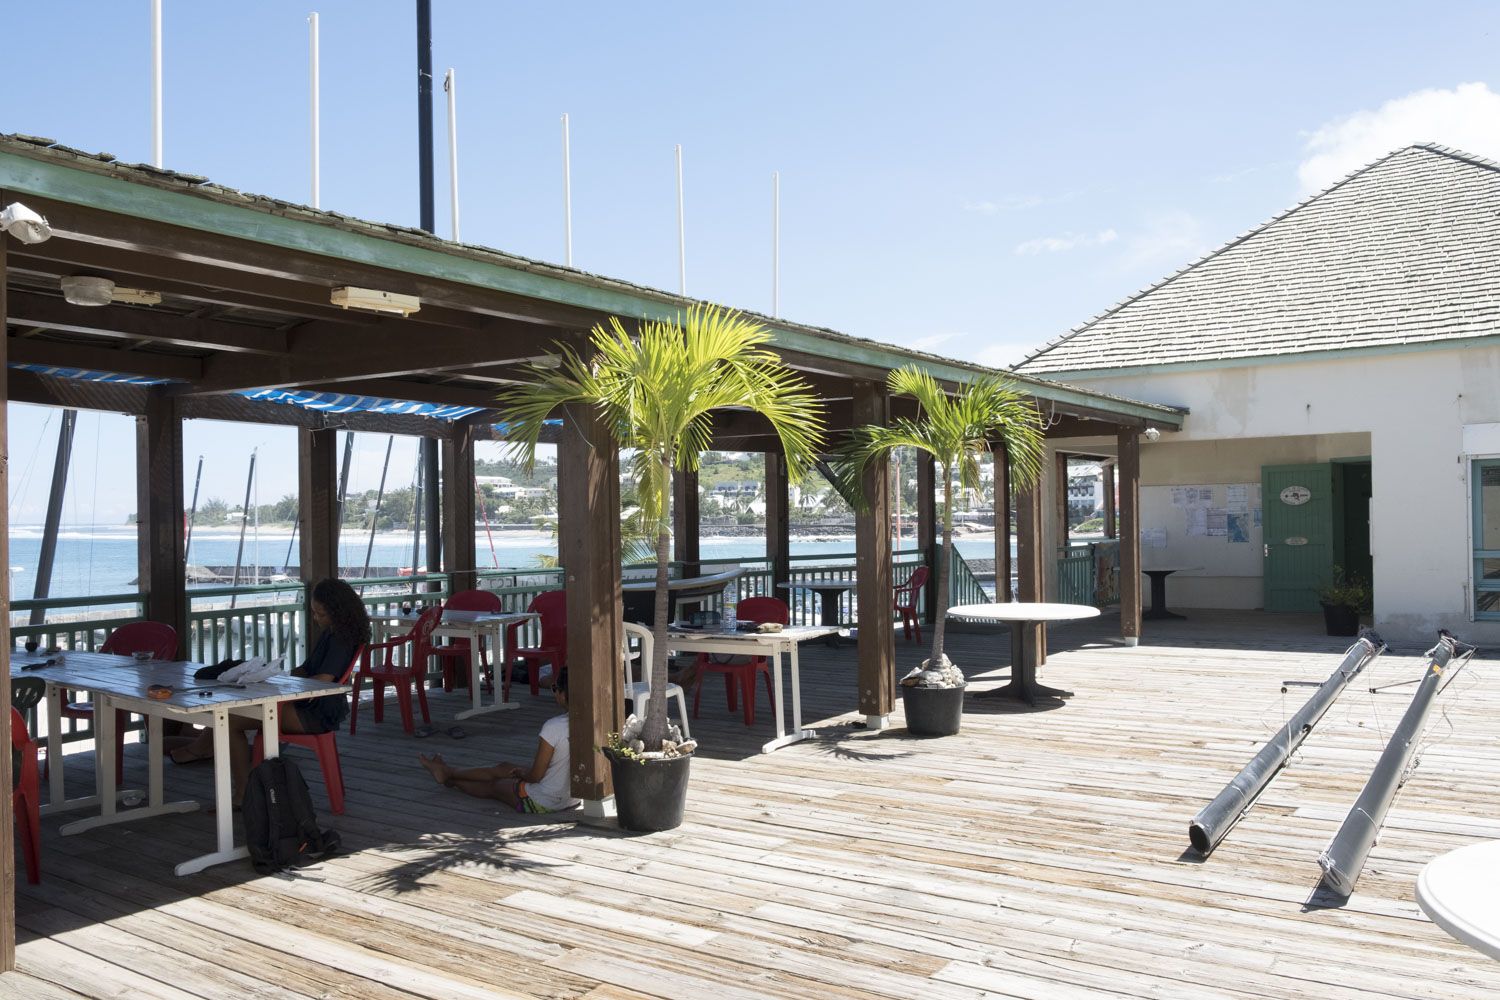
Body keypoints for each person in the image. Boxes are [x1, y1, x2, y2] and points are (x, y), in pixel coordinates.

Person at [169, 578, 369, 805]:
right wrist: (273, 675)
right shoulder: (334, 632)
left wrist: (286, 684)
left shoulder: (341, 639)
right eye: (314, 613)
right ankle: (203, 751)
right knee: (229, 712)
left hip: (315, 712)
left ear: (337, 610)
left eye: (320, 614)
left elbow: (323, 679)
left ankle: (241, 790)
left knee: (230, 720)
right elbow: (306, 669)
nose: (315, 618)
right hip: (311, 705)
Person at [419, 668, 579, 814]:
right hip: (572, 797)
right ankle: (448, 771)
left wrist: (522, 774)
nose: (555, 693)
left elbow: (535, 777)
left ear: (564, 695)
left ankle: (450, 778)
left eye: (555, 689)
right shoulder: (588, 723)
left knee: (494, 786)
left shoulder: (553, 727)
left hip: (545, 801)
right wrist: (521, 772)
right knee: (503, 768)